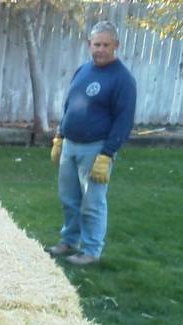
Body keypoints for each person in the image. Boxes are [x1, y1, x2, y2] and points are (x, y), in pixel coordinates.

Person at [47, 21, 137, 266]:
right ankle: (69, 241)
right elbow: (69, 106)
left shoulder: (122, 79)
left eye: (106, 45)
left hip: (96, 149)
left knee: (92, 202)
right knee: (69, 199)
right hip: (70, 145)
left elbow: (124, 120)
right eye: (96, 44)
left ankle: (91, 250)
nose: (100, 49)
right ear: (89, 44)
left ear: (116, 45)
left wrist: (107, 154)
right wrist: (59, 136)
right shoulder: (83, 70)